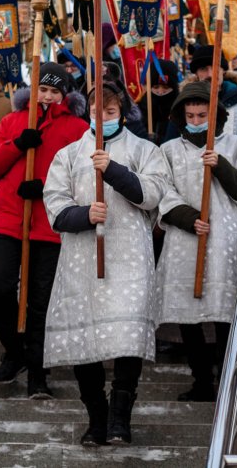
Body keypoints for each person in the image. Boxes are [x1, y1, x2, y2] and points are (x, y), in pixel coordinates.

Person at [42, 80, 169, 446]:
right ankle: (96, 416)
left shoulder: (145, 150)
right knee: (86, 337)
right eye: (97, 112)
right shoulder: (67, 155)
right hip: (83, 257)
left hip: (129, 257)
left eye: (110, 112)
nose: (103, 118)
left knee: (127, 337)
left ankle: (120, 417)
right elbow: (55, 206)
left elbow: (151, 194)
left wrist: (112, 170)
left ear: (122, 113)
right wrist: (84, 214)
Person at [0, 63, 89, 397]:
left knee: (41, 302)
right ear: (33, 89)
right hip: (9, 219)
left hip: (50, 223)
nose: (47, 97)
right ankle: (16, 350)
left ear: (65, 95)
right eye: (43, 89)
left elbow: (82, 176)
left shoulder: (77, 128)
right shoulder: (14, 121)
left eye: (55, 92)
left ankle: (38, 371)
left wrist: (44, 189)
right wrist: (16, 145)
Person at [154, 82, 237, 401]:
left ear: (215, 115)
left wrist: (221, 166)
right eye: (190, 115)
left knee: (224, 312)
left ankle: (228, 377)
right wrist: (186, 217)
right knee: (189, 314)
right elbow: (161, 189)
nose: (196, 120)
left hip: (224, 240)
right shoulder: (169, 151)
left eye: (202, 115)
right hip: (184, 240)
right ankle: (201, 379)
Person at [166, 45, 237, 181]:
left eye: (215, 68)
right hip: (190, 188)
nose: (210, 74)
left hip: (235, 188)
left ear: (223, 70)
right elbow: (170, 149)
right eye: (203, 69)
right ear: (196, 73)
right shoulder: (183, 104)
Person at [137, 58, 179, 145]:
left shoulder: (180, 106)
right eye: (156, 87)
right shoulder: (143, 105)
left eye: (166, 88)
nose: (160, 92)